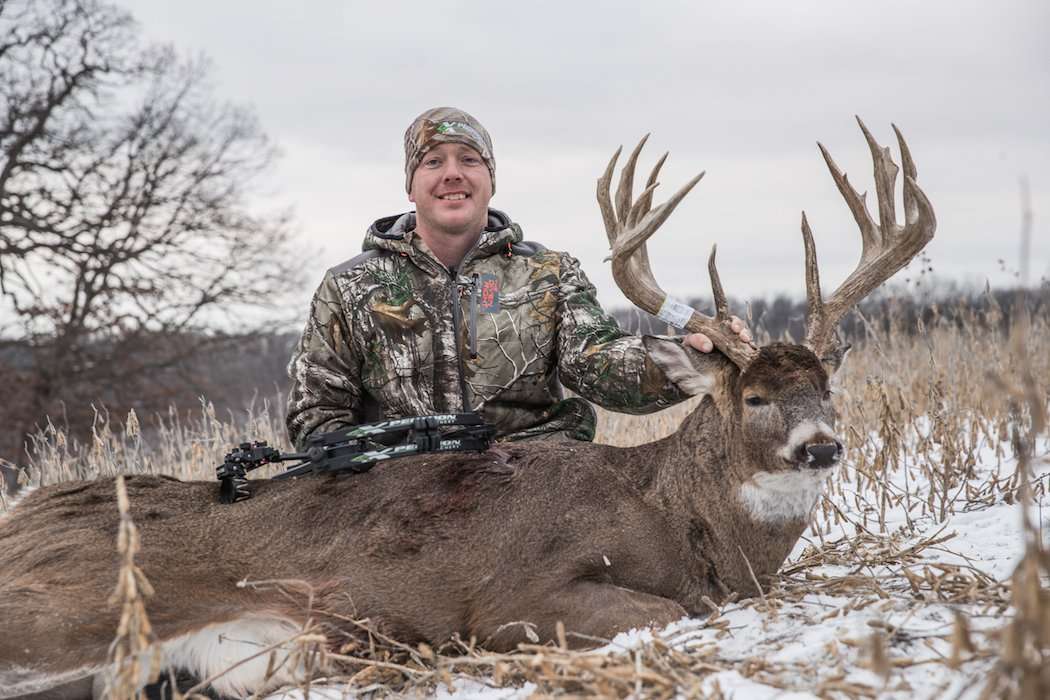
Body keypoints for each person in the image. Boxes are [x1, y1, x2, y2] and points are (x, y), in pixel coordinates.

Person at [286, 107, 749, 448]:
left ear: (490, 179)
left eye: (469, 160)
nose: (452, 174)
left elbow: (599, 363)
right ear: (410, 185)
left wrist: (687, 359)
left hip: (533, 484)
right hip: (405, 491)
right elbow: (319, 411)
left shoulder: (547, 274)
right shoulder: (350, 286)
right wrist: (356, 462)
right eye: (433, 162)